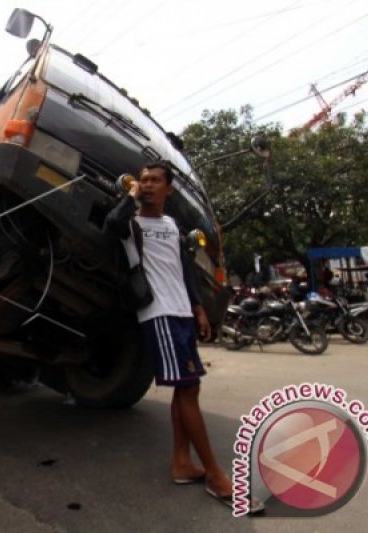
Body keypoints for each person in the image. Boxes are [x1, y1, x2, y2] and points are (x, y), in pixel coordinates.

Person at [104, 162, 263, 513]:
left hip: (181, 313)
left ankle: (181, 463)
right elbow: (111, 225)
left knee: (186, 386)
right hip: (158, 313)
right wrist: (130, 196)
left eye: (154, 181)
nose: (147, 185)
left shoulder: (172, 225)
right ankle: (214, 474)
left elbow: (183, 270)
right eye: (143, 180)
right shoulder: (130, 222)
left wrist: (198, 307)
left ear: (168, 189)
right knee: (188, 388)